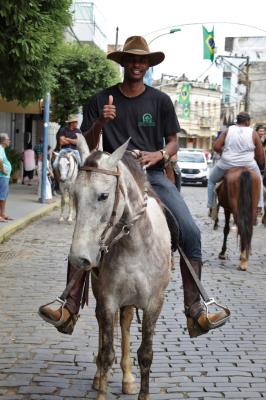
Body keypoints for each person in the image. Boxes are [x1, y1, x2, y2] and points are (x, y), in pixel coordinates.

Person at [39, 35, 229, 338]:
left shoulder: (161, 100)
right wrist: (101, 121)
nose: (137, 64)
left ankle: (196, 308)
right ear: (123, 63)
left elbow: (173, 141)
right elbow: (86, 142)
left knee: (190, 232)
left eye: (142, 60)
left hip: (151, 176)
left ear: (148, 65)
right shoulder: (100, 100)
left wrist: (161, 154)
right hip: (112, 177)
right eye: (131, 59)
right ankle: (69, 304)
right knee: (86, 229)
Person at [207, 112, 265, 214]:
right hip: (248, 164)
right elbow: (260, 154)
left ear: (237, 121)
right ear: (247, 121)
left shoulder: (228, 130)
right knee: (259, 179)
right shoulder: (253, 133)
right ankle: (259, 206)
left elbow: (216, 147)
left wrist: (224, 152)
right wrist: (261, 164)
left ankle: (211, 205)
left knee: (211, 180)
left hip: (227, 163)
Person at [0, 133, 13, 222]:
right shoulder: (0, 148)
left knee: (4, 196)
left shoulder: (2, 149)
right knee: (1, 196)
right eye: (8, 139)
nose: (9, 141)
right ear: (4, 140)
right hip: (2, 176)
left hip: (5, 176)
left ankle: (2, 214)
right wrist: (3, 170)